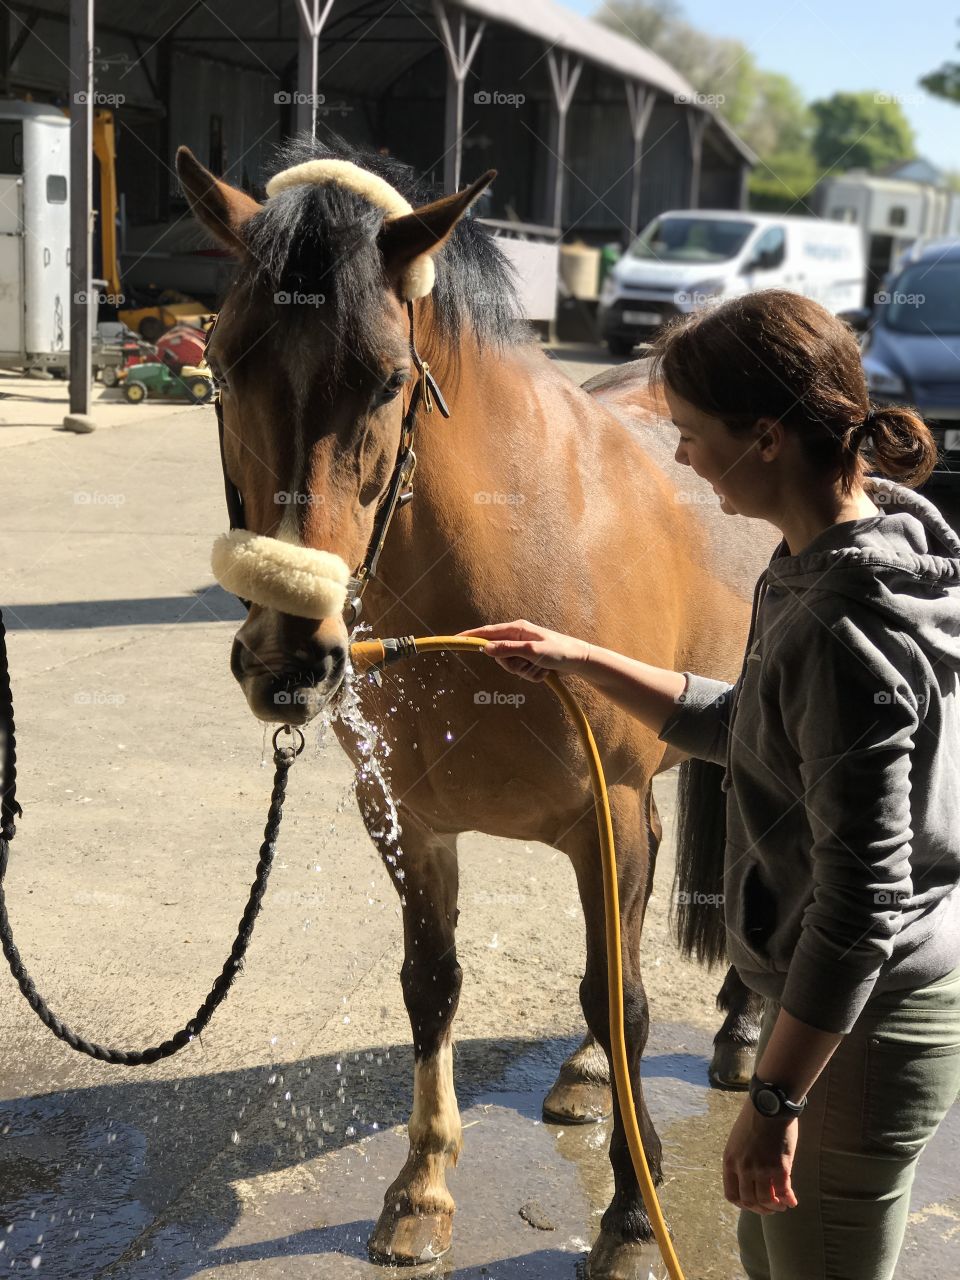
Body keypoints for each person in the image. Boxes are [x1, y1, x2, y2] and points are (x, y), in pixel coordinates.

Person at [460, 289, 960, 1280]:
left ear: (766, 438)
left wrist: (772, 1103)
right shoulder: (850, 536)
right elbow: (750, 727)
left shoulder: (841, 625)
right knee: (762, 1249)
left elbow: (862, 907)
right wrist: (579, 656)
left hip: (863, 1024)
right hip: (834, 1008)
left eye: (691, 433)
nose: (679, 456)